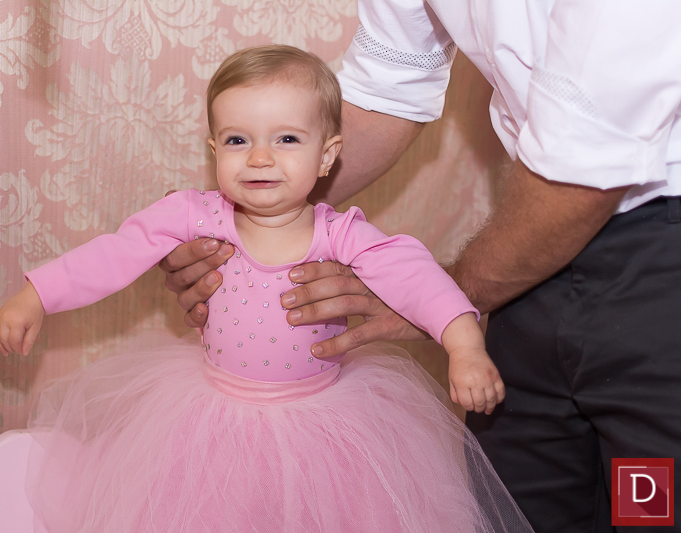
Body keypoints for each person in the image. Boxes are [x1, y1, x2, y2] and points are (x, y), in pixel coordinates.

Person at [162, 2, 681, 531]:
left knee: (653, 510)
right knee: (518, 511)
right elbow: (390, 85)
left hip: (660, 266)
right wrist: (246, 227)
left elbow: (586, 164)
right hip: (528, 261)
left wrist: (436, 297)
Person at [0, 45, 534, 532]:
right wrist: (37, 295)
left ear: (327, 155)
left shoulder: (339, 234)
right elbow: (117, 251)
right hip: (212, 421)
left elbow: (416, 275)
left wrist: (464, 345)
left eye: (286, 139)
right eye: (238, 140)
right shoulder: (195, 215)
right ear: (214, 150)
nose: (259, 157)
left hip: (324, 426)